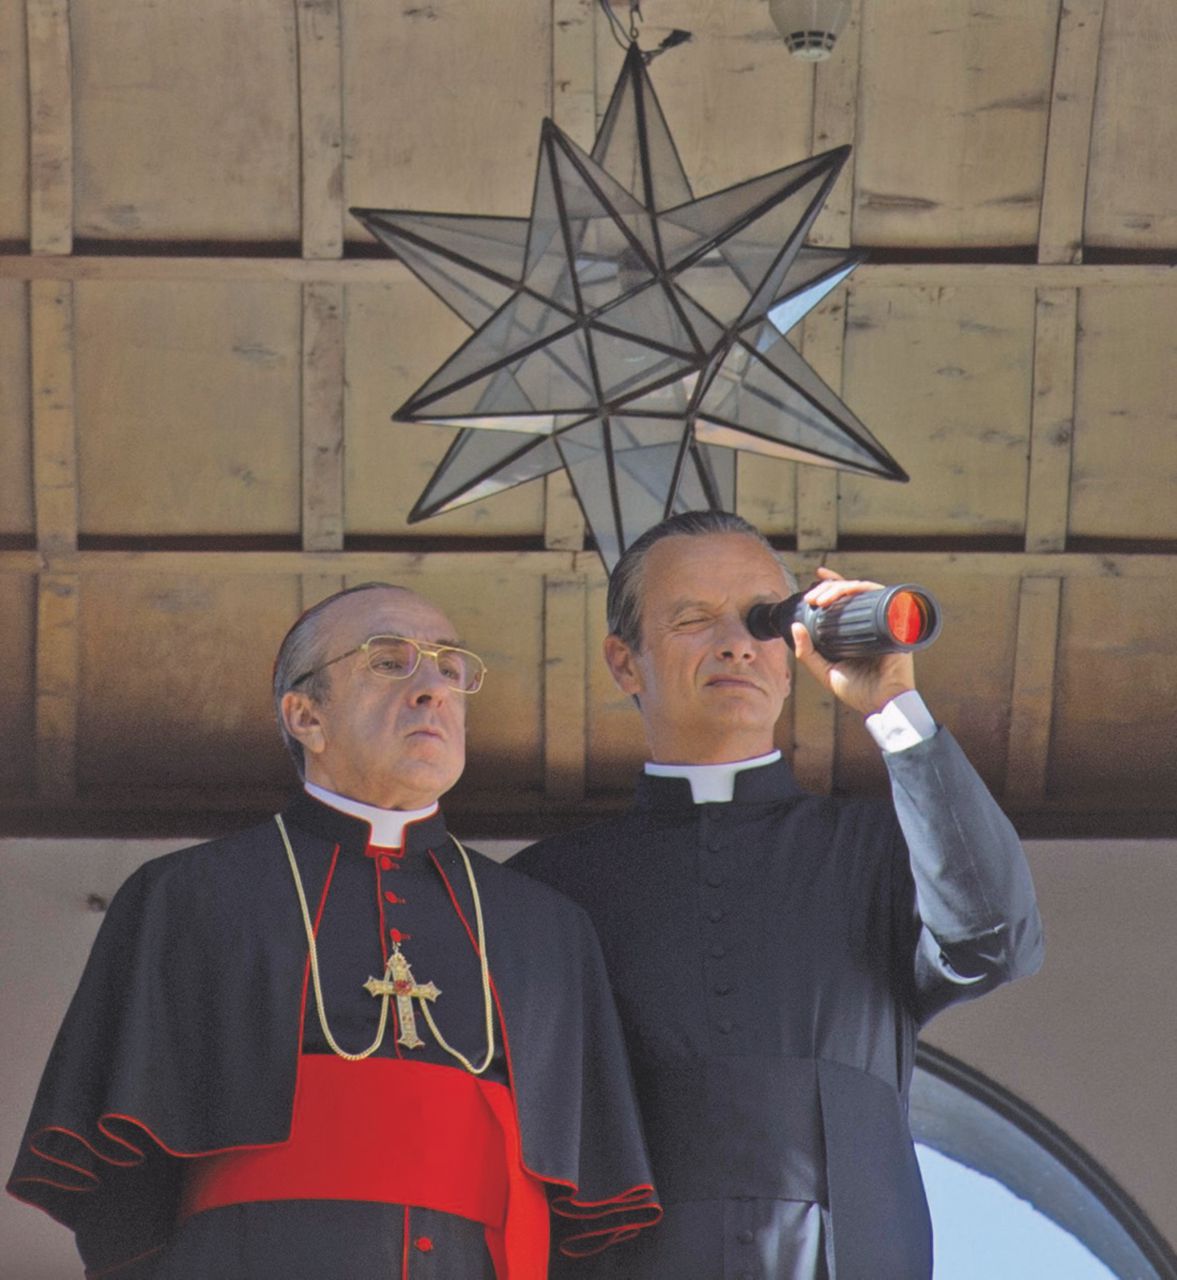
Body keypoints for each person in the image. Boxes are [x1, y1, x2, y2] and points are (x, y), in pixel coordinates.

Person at [7, 583, 659, 1279]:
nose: (431, 688)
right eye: (389, 661)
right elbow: (120, 1190)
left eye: (448, 667)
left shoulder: (545, 927)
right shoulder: (188, 900)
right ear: (306, 716)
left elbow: (585, 1207)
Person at [511, 511, 1044, 1280]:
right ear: (625, 664)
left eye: (763, 619)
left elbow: (998, 940)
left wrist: (890, 704)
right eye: (693, 619)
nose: (735, 644)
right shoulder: (546, 889)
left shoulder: (880, 849)